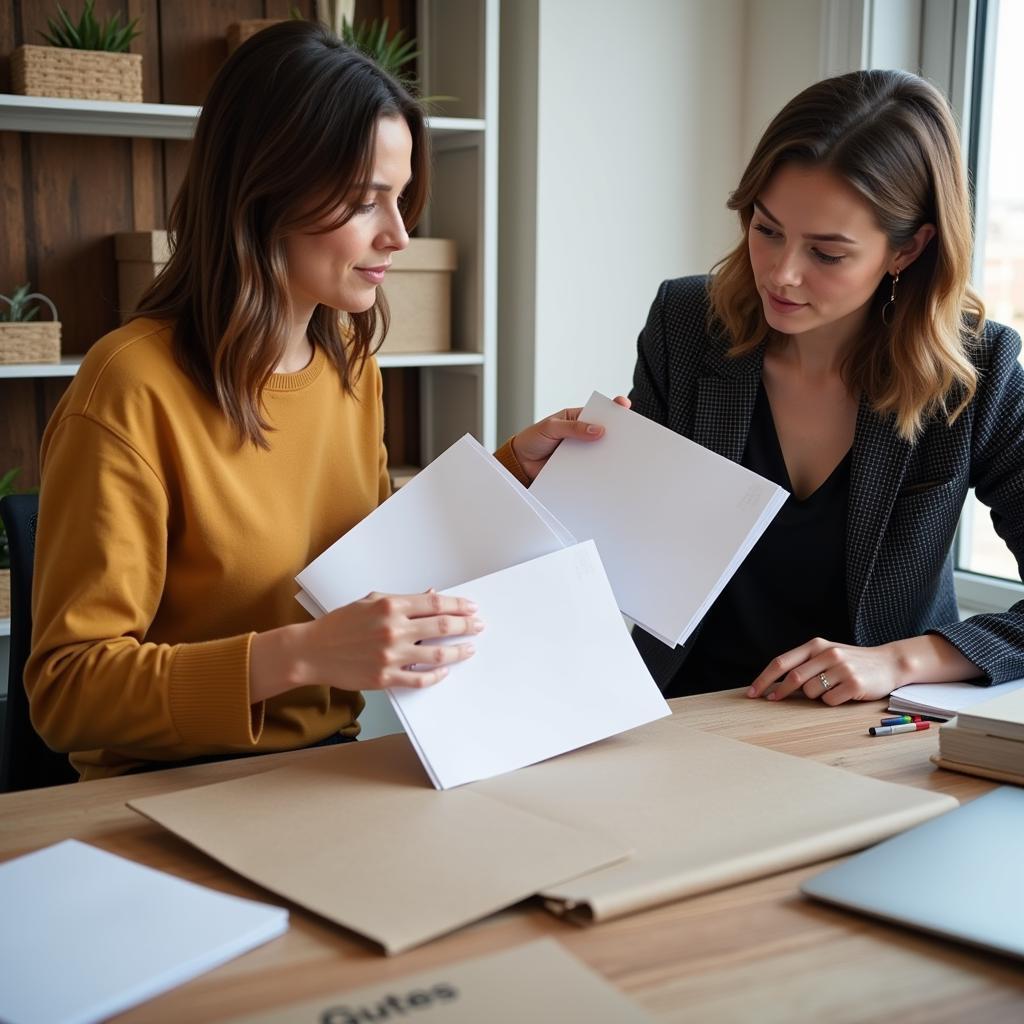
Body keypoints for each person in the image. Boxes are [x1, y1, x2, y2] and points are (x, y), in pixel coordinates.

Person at [25, 21, 605, 780]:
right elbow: (68, 695)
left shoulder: (348, 363)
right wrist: (298, 655)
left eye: (401, 200)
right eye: (368, 201)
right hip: (165, 792)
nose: (399, 234)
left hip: (329, 771)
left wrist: (515, 472)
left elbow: (369, 567)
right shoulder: (129, 387)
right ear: (265, 193)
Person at [611, 68, 1024, 705]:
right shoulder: (685, 325)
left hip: (872, 734)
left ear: (907, 251)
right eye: (766, 229)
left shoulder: (979, 373)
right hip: (687, 715)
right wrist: (572, 473)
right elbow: (630, 548)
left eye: (827, 254)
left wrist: (900, 661)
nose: (782, 274)